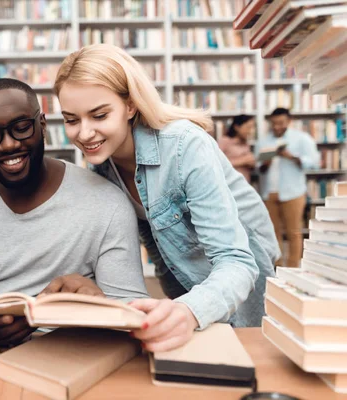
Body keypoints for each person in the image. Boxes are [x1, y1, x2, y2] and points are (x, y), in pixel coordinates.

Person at [54, 43, 280, 352]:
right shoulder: (101, 173)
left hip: (244, 267)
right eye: (71, 120)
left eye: (99, 115)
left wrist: (188, 311)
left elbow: (237, 261)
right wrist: (174, 311)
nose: (84, 133)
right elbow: (164, 256)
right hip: (192, 279)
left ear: (130, 105)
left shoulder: (185, 145)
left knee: (253, 354)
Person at [0, 78, 149, 347]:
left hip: (72, 352)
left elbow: (131, 307)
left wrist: (100, 305)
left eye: (21, 128)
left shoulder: (108, 201)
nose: (8, 145)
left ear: (42, 126)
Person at [257, 108, 320, 268]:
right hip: (268, 192)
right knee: (272, 234)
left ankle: (293, 269)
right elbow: (258, 169)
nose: (277, 126)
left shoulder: (301, 139)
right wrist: (266, 162)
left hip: (293, 192)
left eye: (281, 123)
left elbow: (314, 163)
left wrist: (291, 157)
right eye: (274, 123)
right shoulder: (263, 141)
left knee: (294, 232)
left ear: (289, 121)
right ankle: (276, 270)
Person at [218, 114, 256, 183]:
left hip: (245, 184)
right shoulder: (224, 141)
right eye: (248, 127)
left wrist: (251, 164)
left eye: (252, 128)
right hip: (230, 185)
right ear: (237, 127)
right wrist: (243, 160)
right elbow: (218, 164)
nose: (250, 131)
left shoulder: (246, 143)